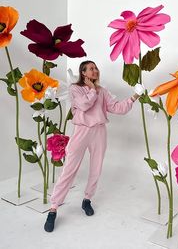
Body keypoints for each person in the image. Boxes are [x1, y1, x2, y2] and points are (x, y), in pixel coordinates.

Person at [44, 60, 145, 232]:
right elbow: (84, 105)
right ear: (83, 73)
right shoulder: (75, 89)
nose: (95, 71)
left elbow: (117, 108)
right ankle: (53, 209)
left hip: (99, 131)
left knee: (96, 168)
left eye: (96, 68)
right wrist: (92, 90)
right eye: (91, 68)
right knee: (69, 169)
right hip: (81, 131)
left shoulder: (102, 91)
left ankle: (87, 200)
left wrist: (134, 97)